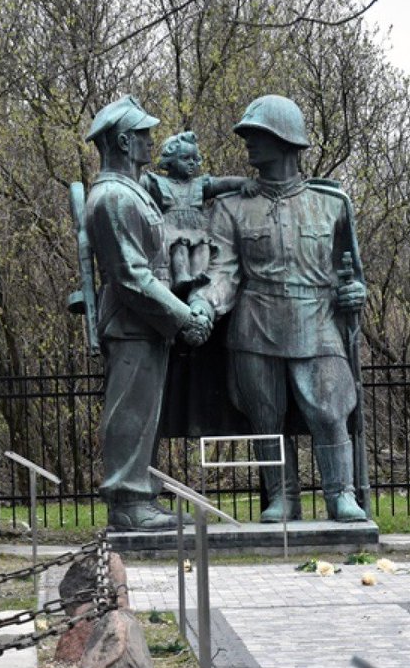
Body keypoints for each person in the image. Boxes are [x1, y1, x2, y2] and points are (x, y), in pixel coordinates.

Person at [191, 95, 369, 523]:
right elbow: (223, 273)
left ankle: (340, 494)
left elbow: (353, 274)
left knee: (329, 410)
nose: (249, 143)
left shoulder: (332, 204)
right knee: (265, 415)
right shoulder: (231, 207)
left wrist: (356, 294)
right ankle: (281, 497)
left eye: (258, 135)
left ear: (286, 141)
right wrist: (203, 302)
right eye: (248, 135)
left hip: (319, 319)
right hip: (256, 326)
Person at [84, 95, 213, 531]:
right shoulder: (113, 198)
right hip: (132, 323)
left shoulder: (129, 192)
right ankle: (127, 502)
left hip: (145, 324)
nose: (150, 141)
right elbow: (132, 277)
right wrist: (181, 316)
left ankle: (138, 496)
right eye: (142, 134)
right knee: (130, 412)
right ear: (123, 141)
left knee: (142, 414)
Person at [141, 131, 247, 296]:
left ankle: (199, 275)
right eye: (185, 159)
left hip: (197, 228)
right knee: (180, 245)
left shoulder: (199, 185)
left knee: (203, 245)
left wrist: (244, 183)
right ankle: (181, 276)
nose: (191, 163)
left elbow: (223, 184)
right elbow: (133, 185)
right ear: (169, 161)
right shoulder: (159, 183)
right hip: (172, 228)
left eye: (194, 159)